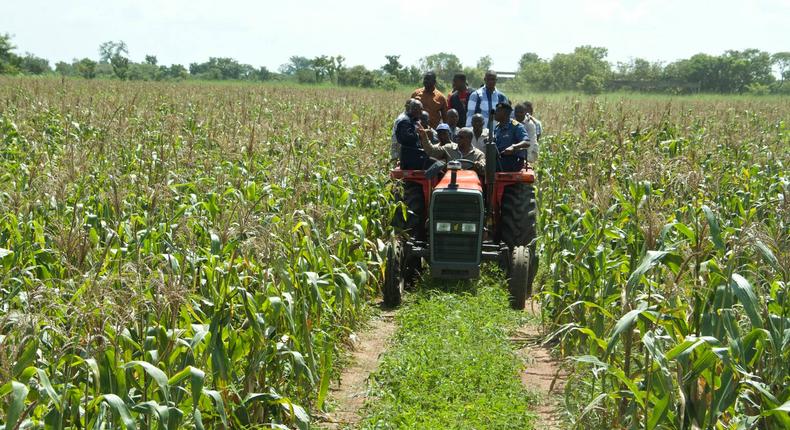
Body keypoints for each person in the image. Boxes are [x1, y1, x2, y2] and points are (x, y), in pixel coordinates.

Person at [417, 126, 485, 177]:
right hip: (449, 183)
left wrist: (478, 166)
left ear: (469, 139)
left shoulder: (478, 155)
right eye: (457, 137)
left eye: (461, 137)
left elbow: (483, 167)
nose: (458, 139)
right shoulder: (449, 148)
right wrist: (424, 136)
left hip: (470, 185)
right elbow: (431, 151)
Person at [394, 99, 431, 170]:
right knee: (435, 164)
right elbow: (406, 139)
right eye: (420, 109)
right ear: (414, 109)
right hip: (410, 157)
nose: (422, 112)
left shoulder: (412, 120)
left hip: (414, 154)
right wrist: (418, 132)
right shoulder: (405, 121)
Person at [493, 102, 530, 172]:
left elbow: (527, 142)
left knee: (488, 167)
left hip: (513, 160)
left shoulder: (516, 126)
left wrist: (513, 147)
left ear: (505, 114)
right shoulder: (497, 128)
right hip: (500, 159)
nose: (495, 113)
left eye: (498, 111)